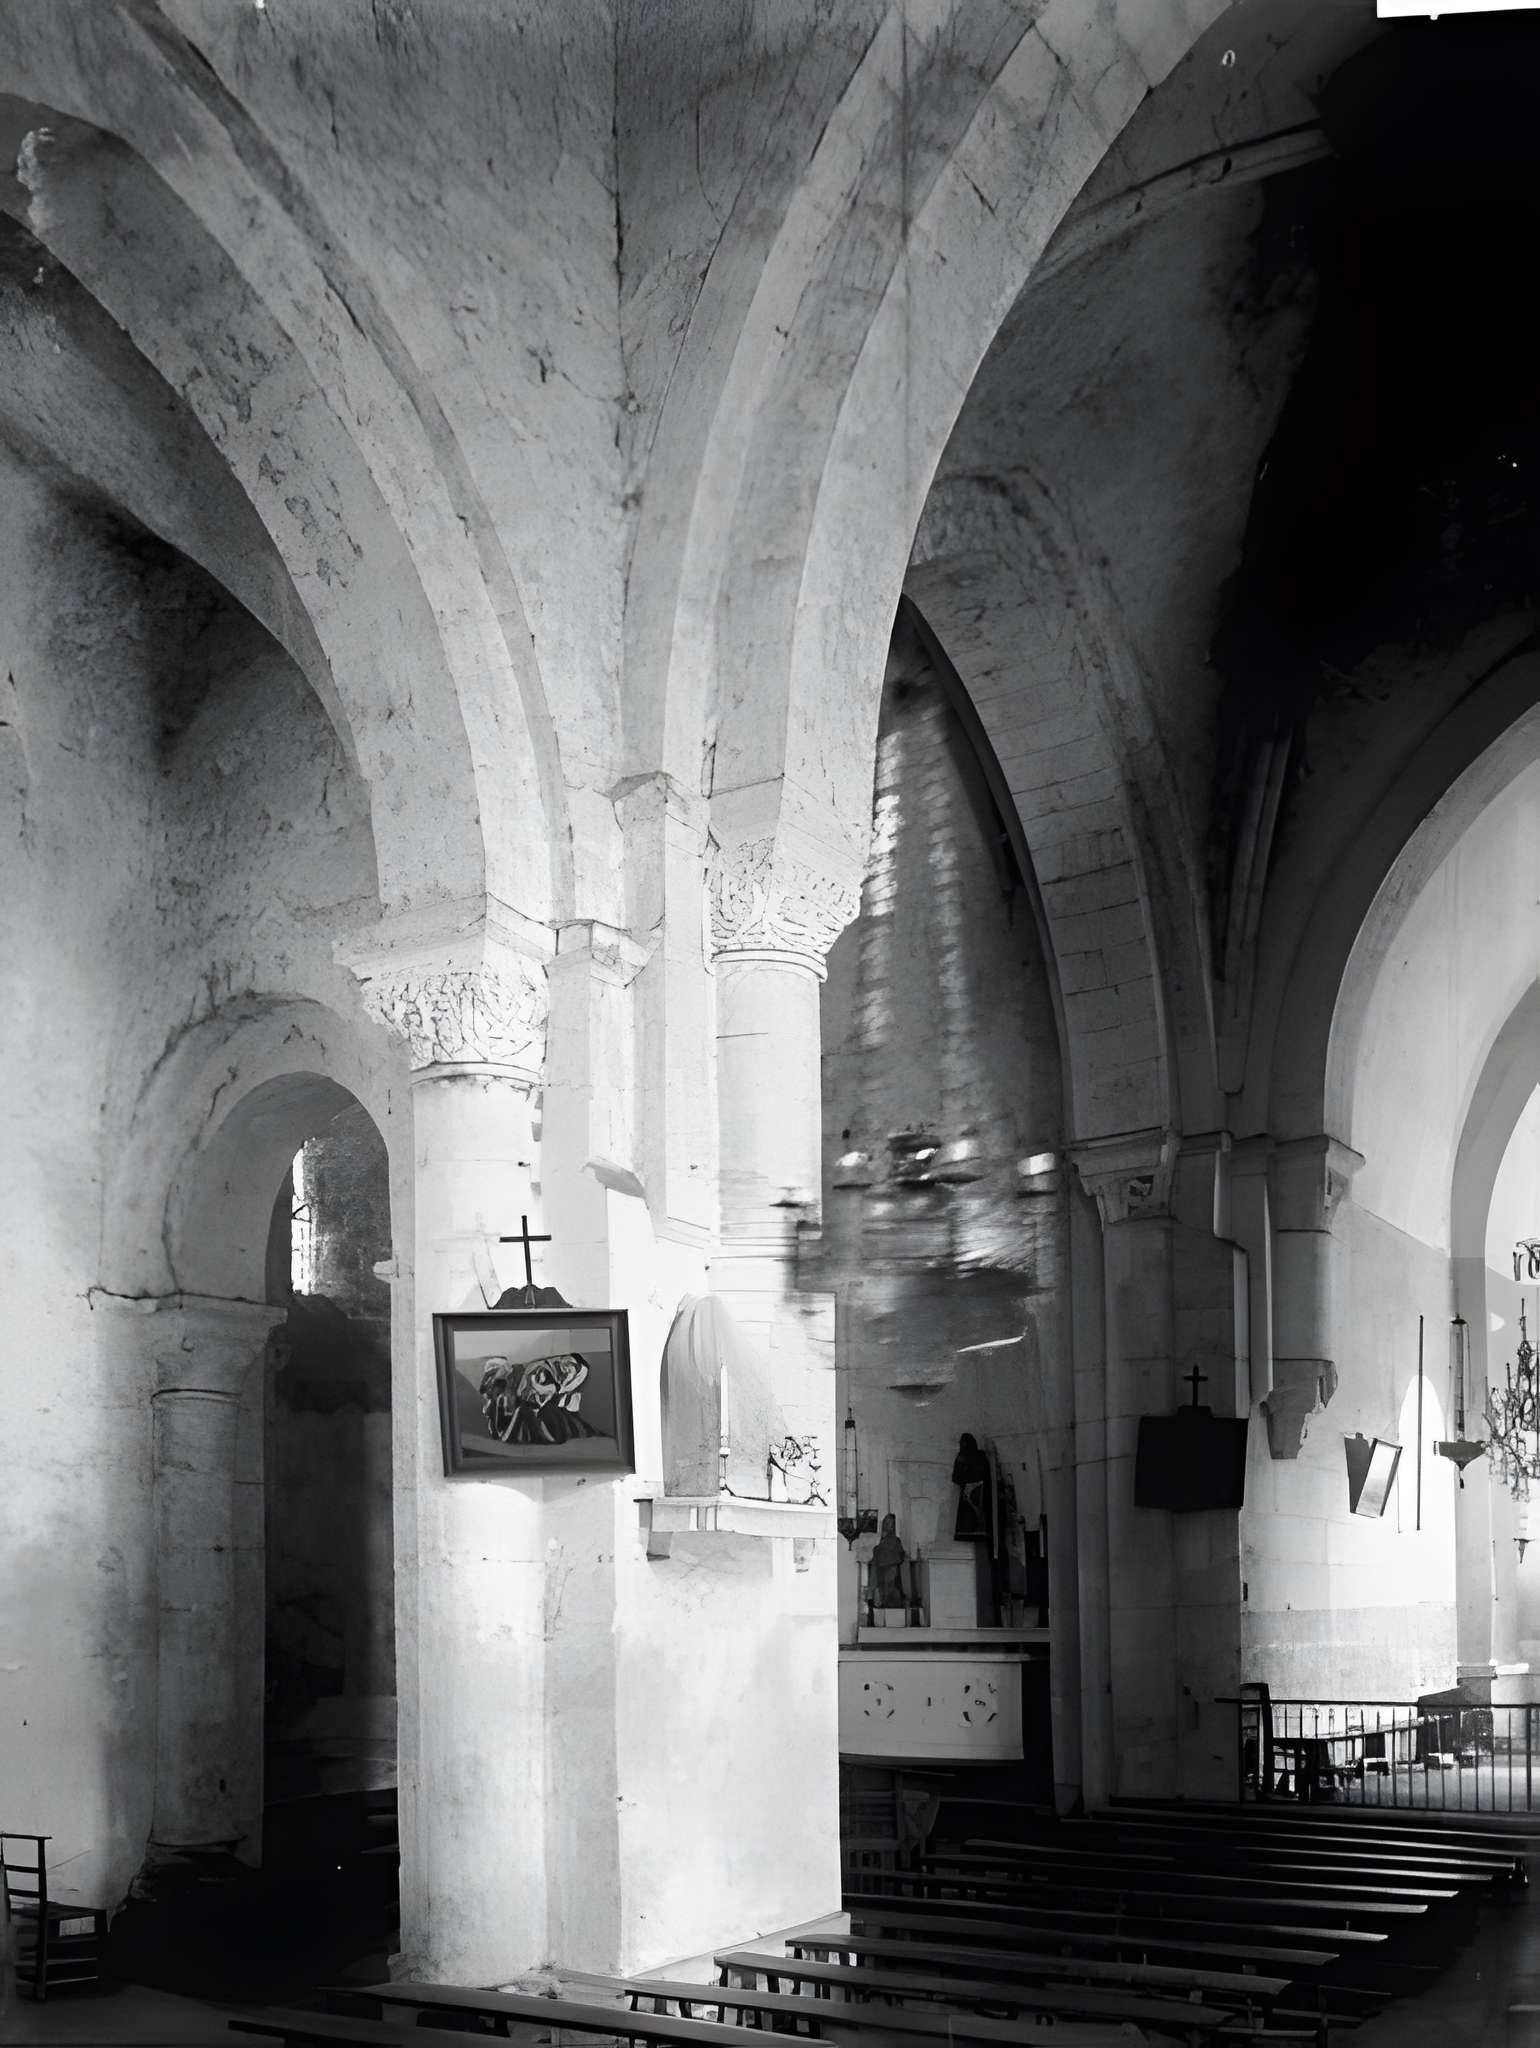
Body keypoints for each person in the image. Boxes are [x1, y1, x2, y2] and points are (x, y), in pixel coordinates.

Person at [481, 1354, 600, 1445]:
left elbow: (541, 1399)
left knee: (528, 1410)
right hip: (546, 1418)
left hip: (553, 1418)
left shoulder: (538, 1377)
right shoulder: (518, 1384)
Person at [952, 1432, 994, 1545]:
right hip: (969, 1495)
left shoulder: (977, 1456)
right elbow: (955, 1478)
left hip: (978, 1493)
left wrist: (965, 1475)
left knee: (976, 1521)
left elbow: (981, 1474)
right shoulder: (964, 1457)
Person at [866, 1512, 909, 1615]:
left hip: (890, 1569)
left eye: (890, 1523)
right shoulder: (882, 1540)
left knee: (890, 1589)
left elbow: (899, 1556)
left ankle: (891, 1607)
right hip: (883, 1569)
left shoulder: (894, 1541)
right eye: (886, 1522)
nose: (887, 1525)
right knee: (884, 1590)